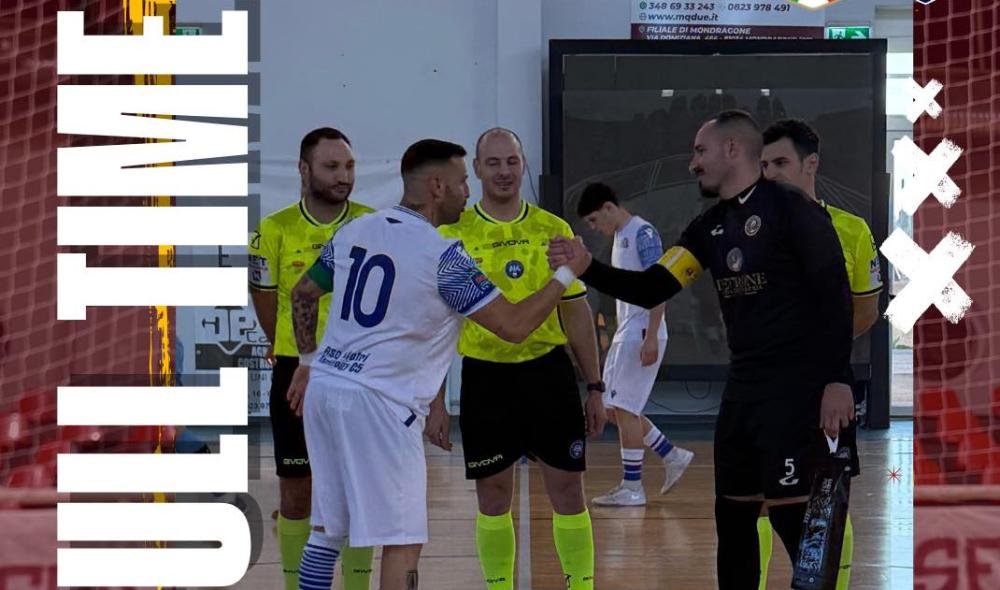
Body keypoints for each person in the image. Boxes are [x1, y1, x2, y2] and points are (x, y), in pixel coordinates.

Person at [548, 110, 856, 589]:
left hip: (797, 394)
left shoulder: (792, 209)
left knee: (798, 523)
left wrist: (837, 379)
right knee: (733, 520)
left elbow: (835, 294)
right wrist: (588, 267)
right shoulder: (708, 227)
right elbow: (653, 287)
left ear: (732, 149)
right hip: (743, 395)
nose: (693, 164)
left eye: (700, 151)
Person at [285, 139, 592, 590]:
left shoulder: (355, 230)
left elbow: (302, 293)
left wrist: (308, 360)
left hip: (327, 390)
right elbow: (513, 326)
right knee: (403, 541)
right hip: (381, 404)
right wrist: (567, 274)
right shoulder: (442, 256)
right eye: (462, 181)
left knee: (328, 529)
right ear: (436, 187)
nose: (467, 191)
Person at [438, 128, 605, 590]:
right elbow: (438, 327)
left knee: (568, 490)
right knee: (493, 495)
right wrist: (435, 400)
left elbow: (575, 313)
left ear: (523, 163)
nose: (504, 172)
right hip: (485, 378)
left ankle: (581, 584)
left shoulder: (553, 230)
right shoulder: (454, 235)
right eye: (493, 163)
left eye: (511, 161)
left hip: (548, 374)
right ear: (476, 169)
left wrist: (595, 386)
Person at [247, 127, 374, 590]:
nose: (344, 176)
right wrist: (287, 345)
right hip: (295, 372)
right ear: (304, 169)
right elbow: (264, 298)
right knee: (296, 491)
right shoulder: (275, 229)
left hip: (359, 373)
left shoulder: (371, 224)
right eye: (332, 166)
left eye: (349, 166)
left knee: (357, 492)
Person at [760, 118, 883, 589]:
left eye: (781, 163)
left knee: (825, 499)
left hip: (825, 387)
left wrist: (818, 355)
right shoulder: (748, 230)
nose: (770, 174)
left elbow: (866, 310)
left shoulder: (850, 230)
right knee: (757, 499)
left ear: (811, 163)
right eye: (764, 165)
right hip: (762, 389)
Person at [576, 182, 694, 506]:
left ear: (608, 208)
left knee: (626, 409)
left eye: (594, 220)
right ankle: (671, 454)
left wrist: (652, 335)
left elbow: (660, 286)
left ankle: (632, 487)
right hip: (627, 331)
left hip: (641, 331)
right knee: (613, 409)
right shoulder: (619, 237)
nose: (594, 228)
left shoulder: (643, 233)